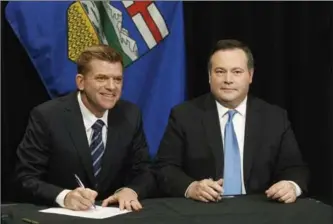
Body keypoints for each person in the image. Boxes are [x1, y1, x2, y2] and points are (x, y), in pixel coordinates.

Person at [153, 39, 309, 204]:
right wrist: (191, 187)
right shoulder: (184, 115)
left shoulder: (274, 117)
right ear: (209, 76)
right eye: (220, 71)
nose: (228, 79)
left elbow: (294, 168)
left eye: (236, 72)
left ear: (250, 75)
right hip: (203, 210)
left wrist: (291, 186)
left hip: (259, 209)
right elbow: (165, 168)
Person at [15, 44, 155, 211]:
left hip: (114, 216)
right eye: (101, 78)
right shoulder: (47, 116)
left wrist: (131, 190)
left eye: (117, 79)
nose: (112, 86)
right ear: (81, 82)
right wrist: (64, 197)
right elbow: (25, 178)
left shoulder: (130, 115)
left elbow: (145, 170)